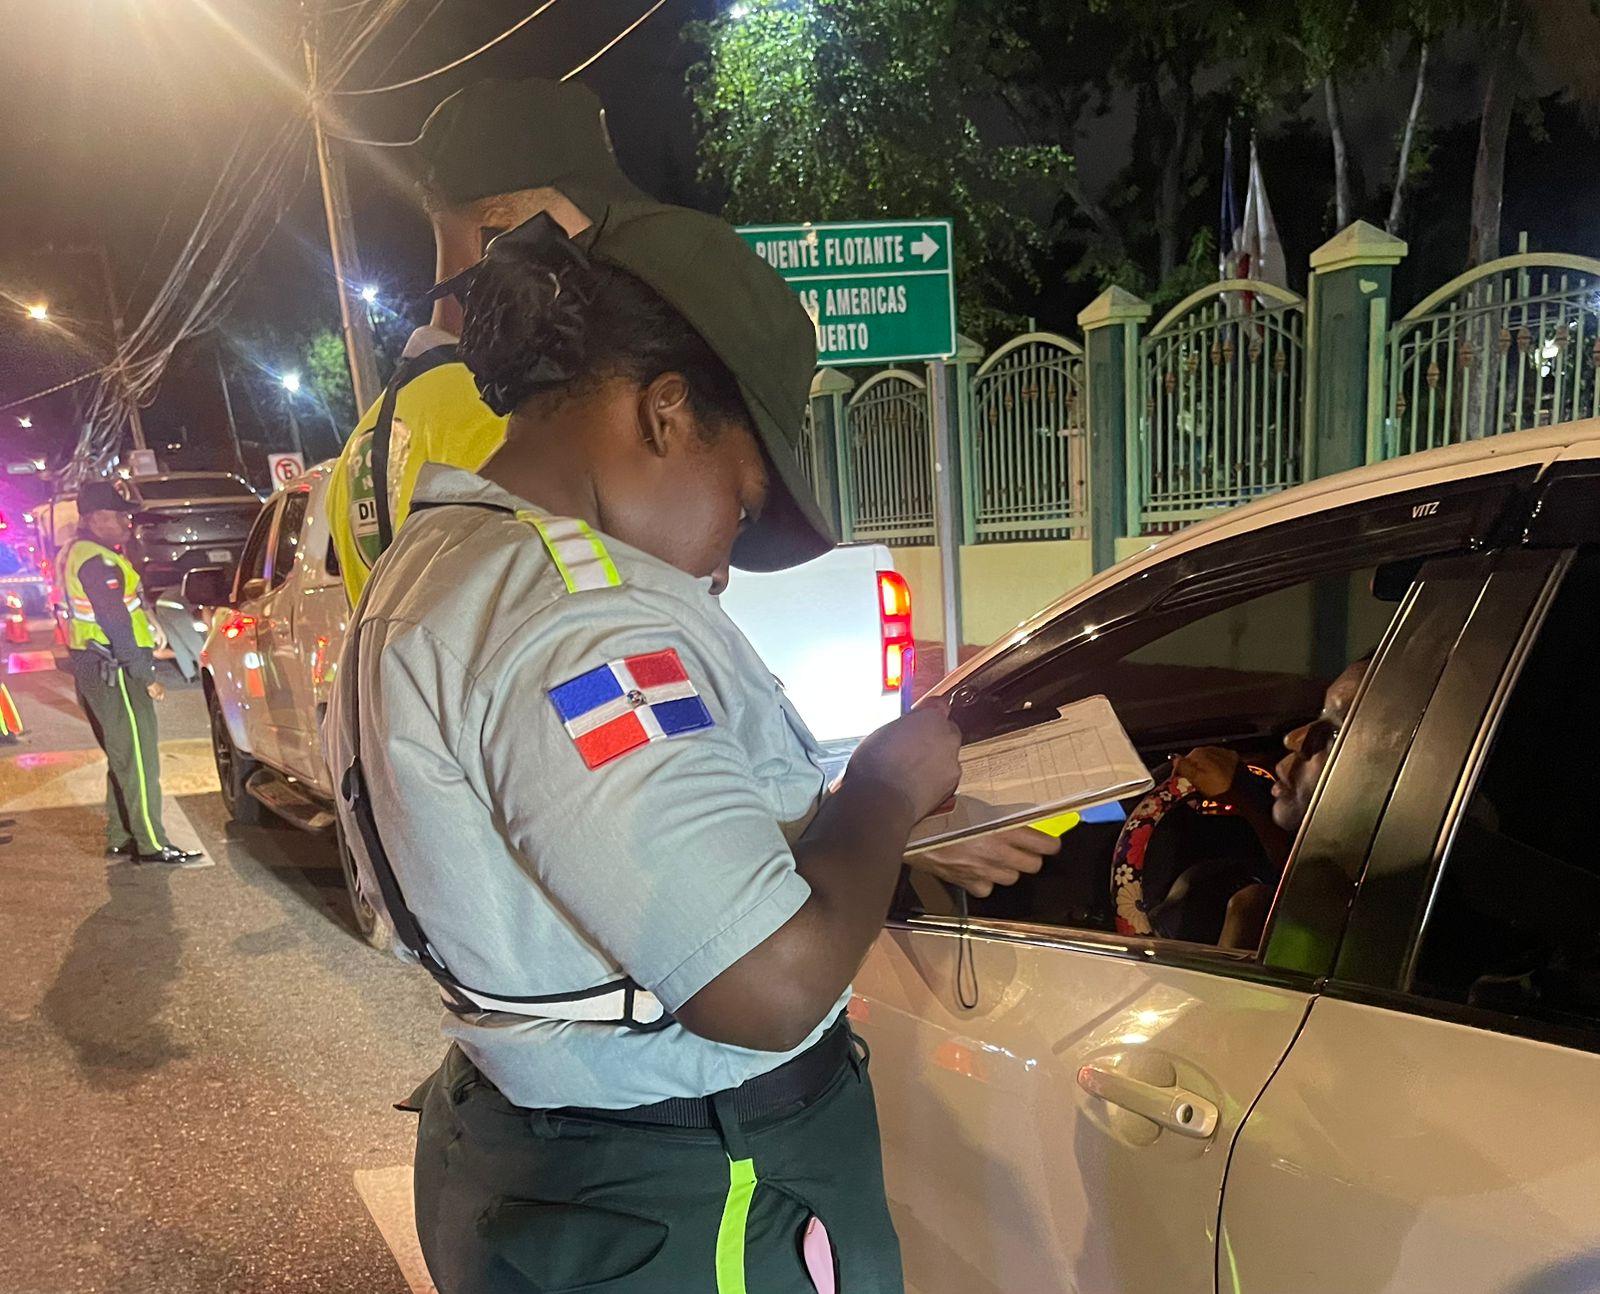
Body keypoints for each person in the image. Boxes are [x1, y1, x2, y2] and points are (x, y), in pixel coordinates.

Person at [327, 205, 1056, 1293]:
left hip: (554, 1161)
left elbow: (592, 853)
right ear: (665, 414)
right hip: (689, 1194)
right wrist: (885, 785)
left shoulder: (438, 558)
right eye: (742, 507)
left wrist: (887, 836)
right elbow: (766, 985)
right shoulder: (582, 623)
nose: (722, 563)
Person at [323, 76, 652, 608]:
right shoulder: (513, 416)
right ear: (503, 238)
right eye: (587, 229)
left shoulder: (366, 442)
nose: (603, 256)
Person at [1171, 654, 1371, 947]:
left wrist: (1246, 920)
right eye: (1319, 714)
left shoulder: (1302, 921)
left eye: (1336, 731)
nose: (1293, 738)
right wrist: (1244, 794)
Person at [57, 482, 201, 866]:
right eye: (119, 515)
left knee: (123, 755)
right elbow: (115, 622)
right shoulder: (97, 562)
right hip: (115, 669)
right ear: (94, 519)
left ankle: (121, 836)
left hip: (96, 666)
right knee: (138, 758)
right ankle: (152, 844)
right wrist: (145, 675)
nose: (127, 521)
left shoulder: (79, 552)